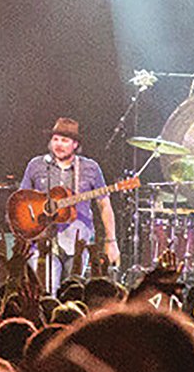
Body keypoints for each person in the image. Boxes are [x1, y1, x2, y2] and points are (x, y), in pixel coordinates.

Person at [19, 117, 121, 288]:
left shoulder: (90, 168)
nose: (58, 144)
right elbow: (21, 199)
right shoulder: (36, 165)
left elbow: (104, 206)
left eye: (64, 140)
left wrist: (111, 241)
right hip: (43, 242)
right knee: (47, 291)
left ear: (75, 144)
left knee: (72, 292)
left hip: (78, 240)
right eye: (55, 139)